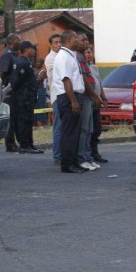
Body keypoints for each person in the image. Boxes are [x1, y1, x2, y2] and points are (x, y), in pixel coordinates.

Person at [53, 30, 86, 173]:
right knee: (69, 132)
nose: (78, 41)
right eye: (75, 39)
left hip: (74, 96)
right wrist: (73, 101)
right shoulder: (63, 57)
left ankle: (73, 161)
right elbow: (66, 80)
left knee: (75, 131)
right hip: (68, 97)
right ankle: (67, 164)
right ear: (68, 40)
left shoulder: (70, 55)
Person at [9, 41, 44, 154]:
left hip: (28, 96)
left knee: (29, 121)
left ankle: (29, 144)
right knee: (24, 121)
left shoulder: (26, 62)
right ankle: (24, 145)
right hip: (24, 97)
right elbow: (16, 82)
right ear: (26, 49)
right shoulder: (22, 62)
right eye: (32, 49)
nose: (34, 51)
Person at [76, 33, 102, 171]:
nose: (86, 42)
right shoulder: (78, 58)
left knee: (90, 129)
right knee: (84, 129)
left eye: (87, 40)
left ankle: (88, 156)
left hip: (90, 98)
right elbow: (84, 80)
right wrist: (94, 95)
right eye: (83, 39)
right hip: (85, 96)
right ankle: (82, 157)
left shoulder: (86, 61)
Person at [85, 46, 109, 163]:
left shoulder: (94, 67)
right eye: (86, 52)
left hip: (97, 101)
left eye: (90, 52)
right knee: (89, 128)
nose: (88, 55)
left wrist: (103, 97)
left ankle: (95, 153)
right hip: (89, 100)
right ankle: (88, 153)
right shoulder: (83, 67)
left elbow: (99, 83)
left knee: (97, 128)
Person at [0, 33, 21, 152]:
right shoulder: (6, 55)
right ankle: (10, 143)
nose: (20, 43)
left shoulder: (13, 54)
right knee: (11, 118)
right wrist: (1, 91)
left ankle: (14, 142)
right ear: (12, 41)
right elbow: (2, 73)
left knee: (15, 117)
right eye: (18, 40)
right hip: (8, 92)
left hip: (14, 91)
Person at [44, 33, 62, 165]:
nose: (58, 45)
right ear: (50, 45)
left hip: (63, 95)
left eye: (60, 42)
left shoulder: (62, 56)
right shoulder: (51, 58)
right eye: (55, 42)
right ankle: (57, 155)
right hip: (57, 96)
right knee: (59, 126)